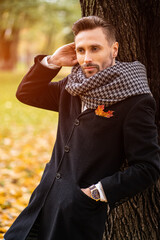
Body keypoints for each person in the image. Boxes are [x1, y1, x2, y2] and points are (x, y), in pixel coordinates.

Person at [4, 16, 160, 240]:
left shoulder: (136, 101)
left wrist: (96, 193)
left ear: (114, 49)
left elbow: (148, 167)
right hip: (42, 201)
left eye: (95, 48)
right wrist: (54, 60)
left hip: (77, 214)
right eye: (81, 50)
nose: (86, 58)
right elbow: (27, 93)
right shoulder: (72, 86)